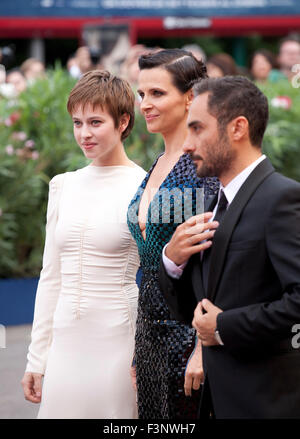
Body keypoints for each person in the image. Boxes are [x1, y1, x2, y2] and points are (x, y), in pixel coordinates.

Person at [159, 75, 300, 418]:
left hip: (266, 401)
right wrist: (172, 261)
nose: (187, 144)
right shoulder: (212, 204)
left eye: (197, 129)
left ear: (238, 128)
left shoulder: (282, 197)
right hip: (218, 400)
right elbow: (193, 311)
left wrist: (225, 327)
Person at [21, 70, 146, 418]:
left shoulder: (146, 187)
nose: (84, 134)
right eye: (77, 123)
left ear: (123, 122)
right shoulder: (63, 185)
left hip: (119, 341)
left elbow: (159, 276)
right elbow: (51, 277)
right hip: (64, 344)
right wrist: (37, 357)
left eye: (95, 122)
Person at [127, 48, 219, 419]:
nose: (145, 104)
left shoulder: (202, 167)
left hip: (188, 331)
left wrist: (203, 346)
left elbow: (216, 262)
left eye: (157, 93)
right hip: (149, 331)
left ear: (190, 97)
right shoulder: (157, 163)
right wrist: (139, 347)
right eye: (142, 94)